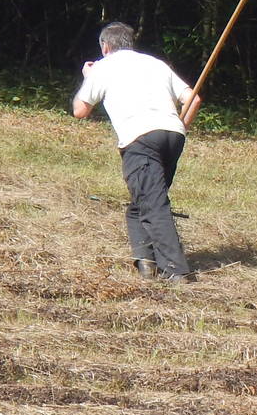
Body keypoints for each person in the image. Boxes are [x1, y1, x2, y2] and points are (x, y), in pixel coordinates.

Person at [72, 22, 201, 283]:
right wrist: (181, 126)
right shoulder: (156, 64)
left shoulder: (102, 67)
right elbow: (194, 99)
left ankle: (176, 271)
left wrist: (88, 77)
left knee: (153, 204)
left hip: (140, 139)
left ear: (105, 47)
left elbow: (80, 111)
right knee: (141, 202)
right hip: (173, 135)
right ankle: (146, 262)